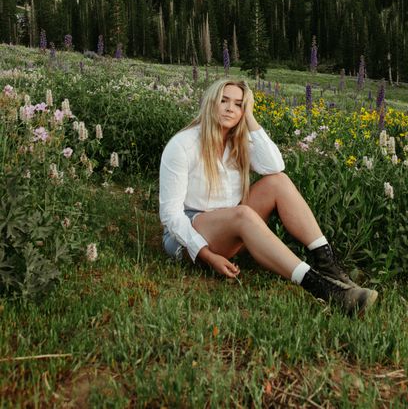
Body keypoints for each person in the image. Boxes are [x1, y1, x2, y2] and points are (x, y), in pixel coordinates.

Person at [159, 78, 378, 315]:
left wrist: (251, 118)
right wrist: (208, 256)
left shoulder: (238, 142)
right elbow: (170, 216)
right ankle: (324, 290)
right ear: (210, 103)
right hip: (188, 233)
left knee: (278, 182)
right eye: (223, 101)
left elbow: (275, 166)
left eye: (239, 104)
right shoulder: (182, 145)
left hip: (230, 223)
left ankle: (329, 266)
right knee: (242, 213)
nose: (230, 108)